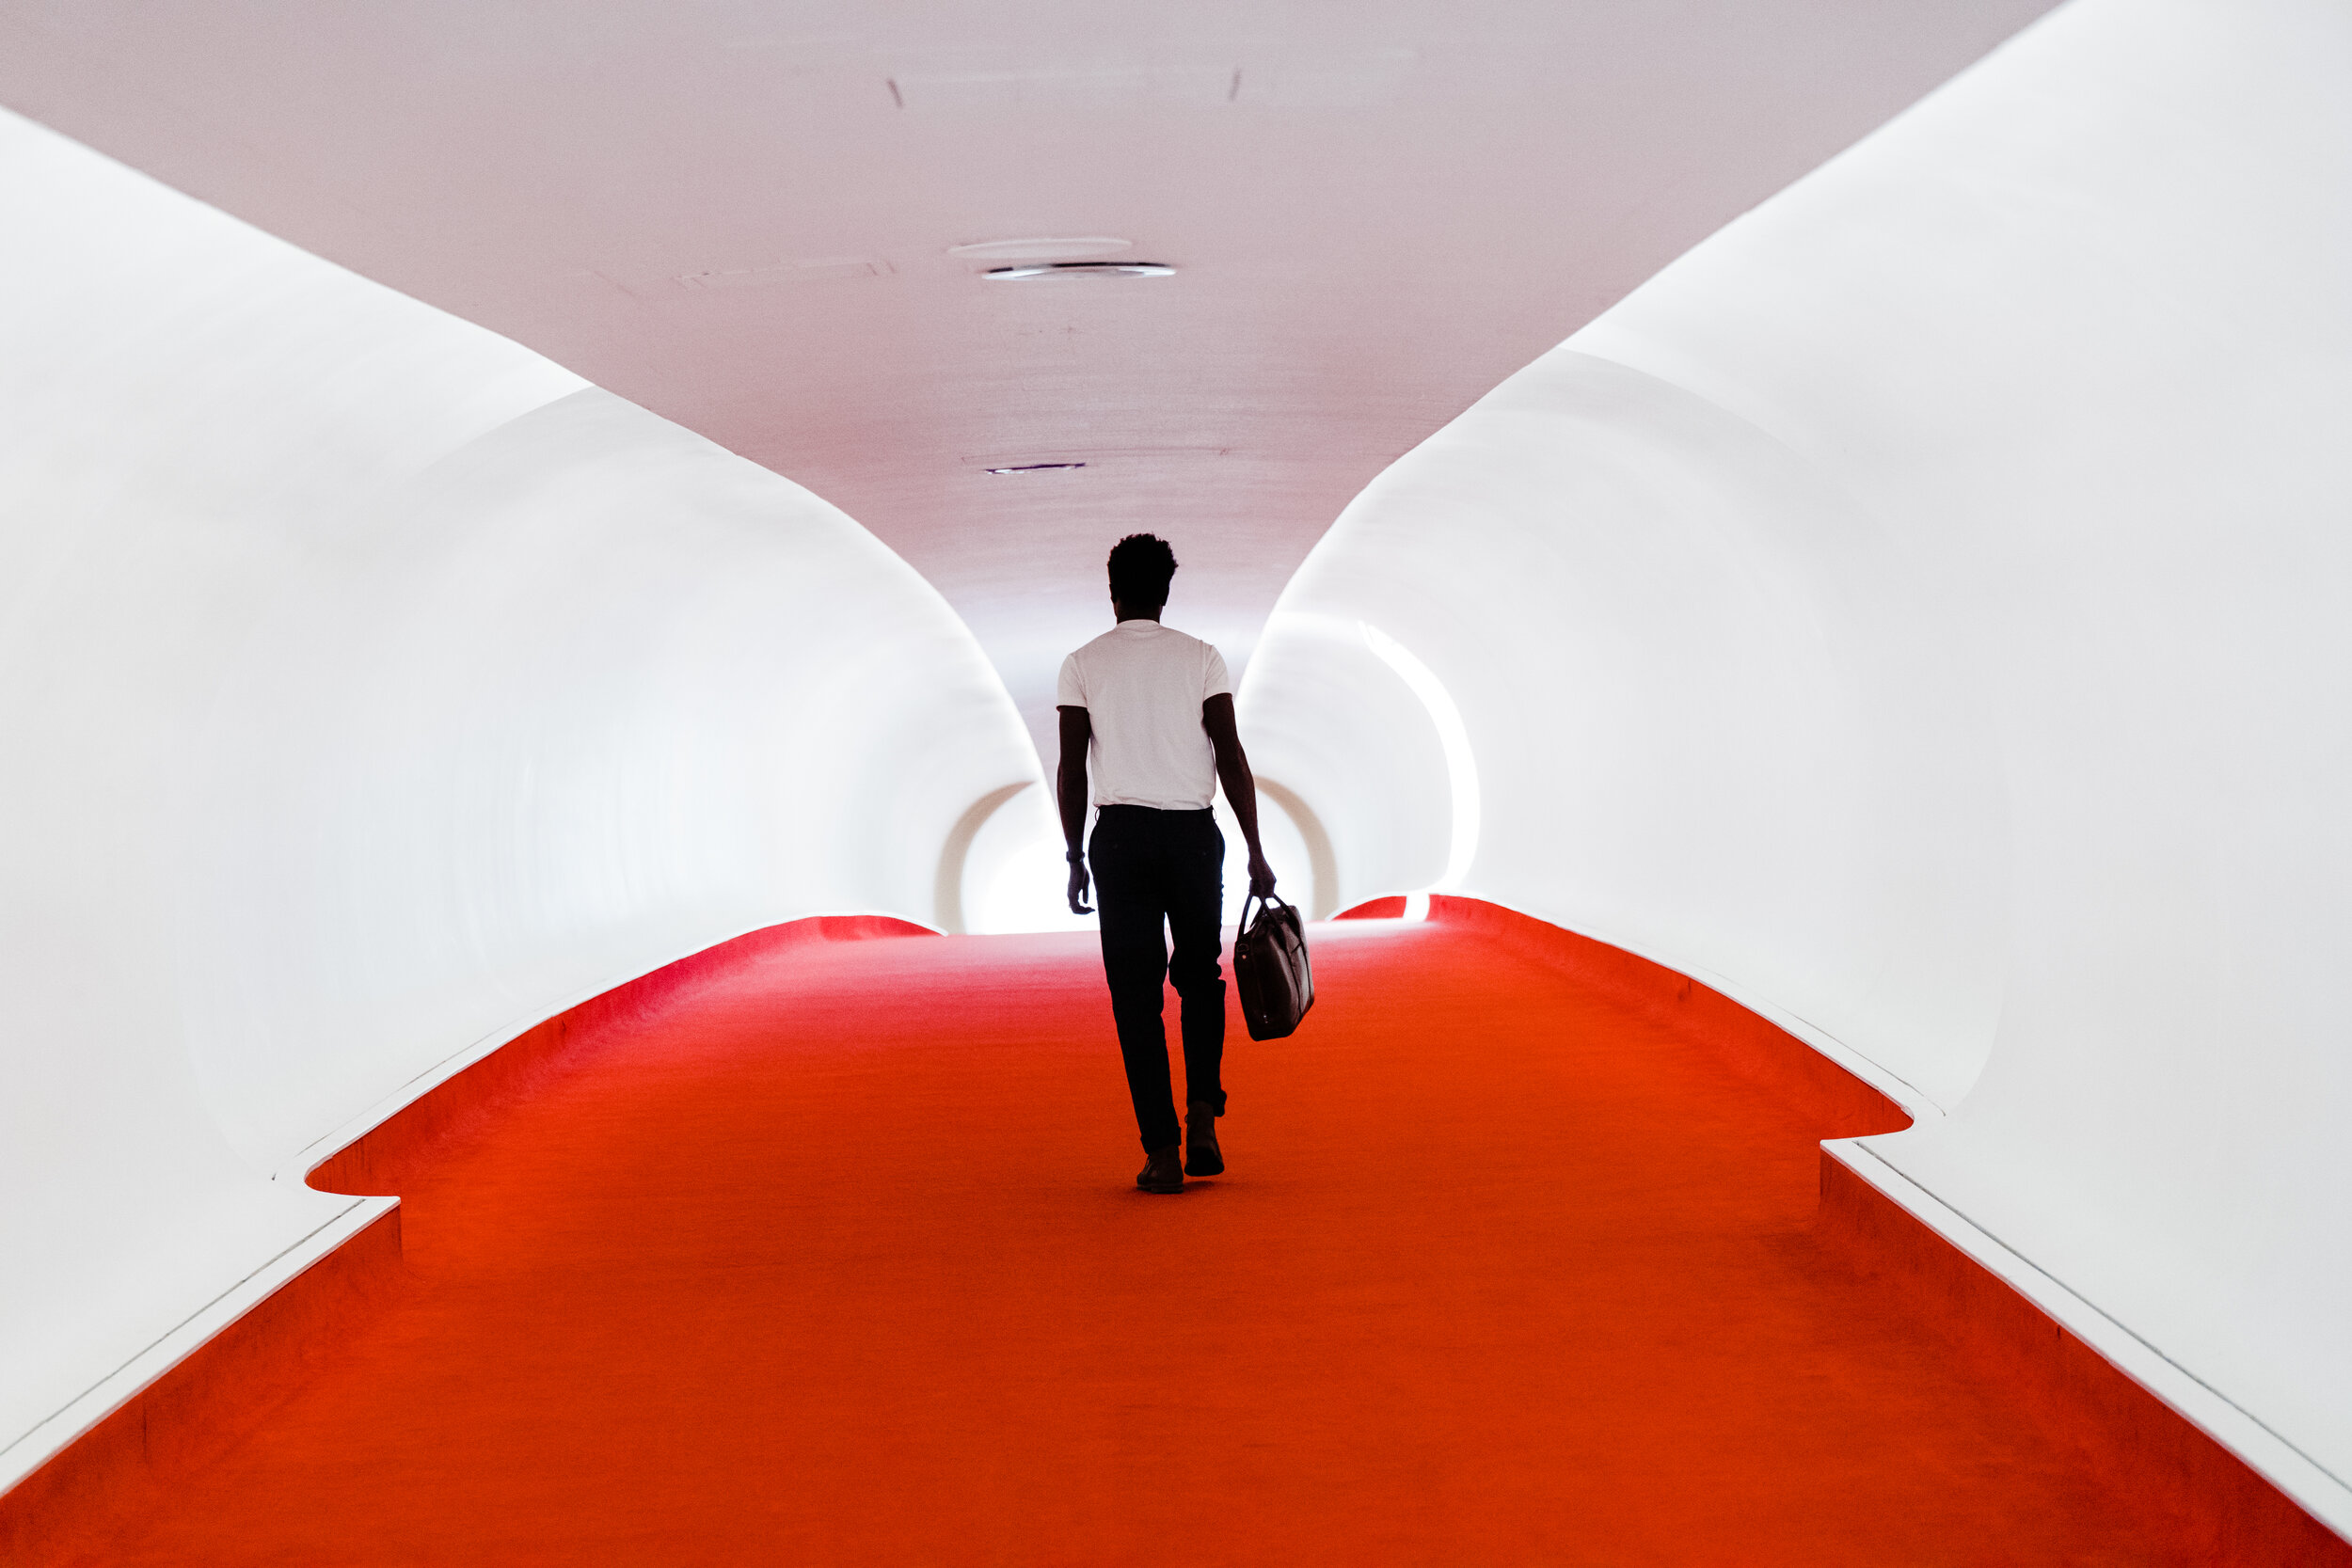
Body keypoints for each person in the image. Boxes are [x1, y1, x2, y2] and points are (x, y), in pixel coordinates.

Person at [1057, 533, 1277, 1195]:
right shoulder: (1202, 658)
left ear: (1113, 591)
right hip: (1192, 834)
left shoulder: (1081, 664)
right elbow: (1232, 759)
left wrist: (1074, 854)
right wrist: (1257, 853)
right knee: (1199, 976)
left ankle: (1161, 1150)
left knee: (1135, 996)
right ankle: (1204, 1107)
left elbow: (1072, 768)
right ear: (1166, 592)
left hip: (1119, 837)